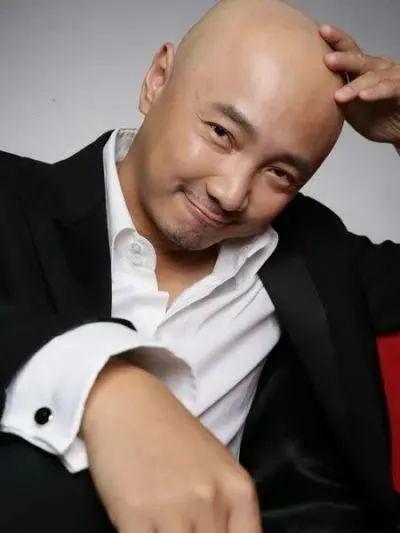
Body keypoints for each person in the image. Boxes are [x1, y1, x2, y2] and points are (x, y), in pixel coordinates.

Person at [0, 0, 399, 531]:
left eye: (280, 174)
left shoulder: (317, 259)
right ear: (157, 79)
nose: (231, 194)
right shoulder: (11, 197)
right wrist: (105, 383)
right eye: (221, 133)